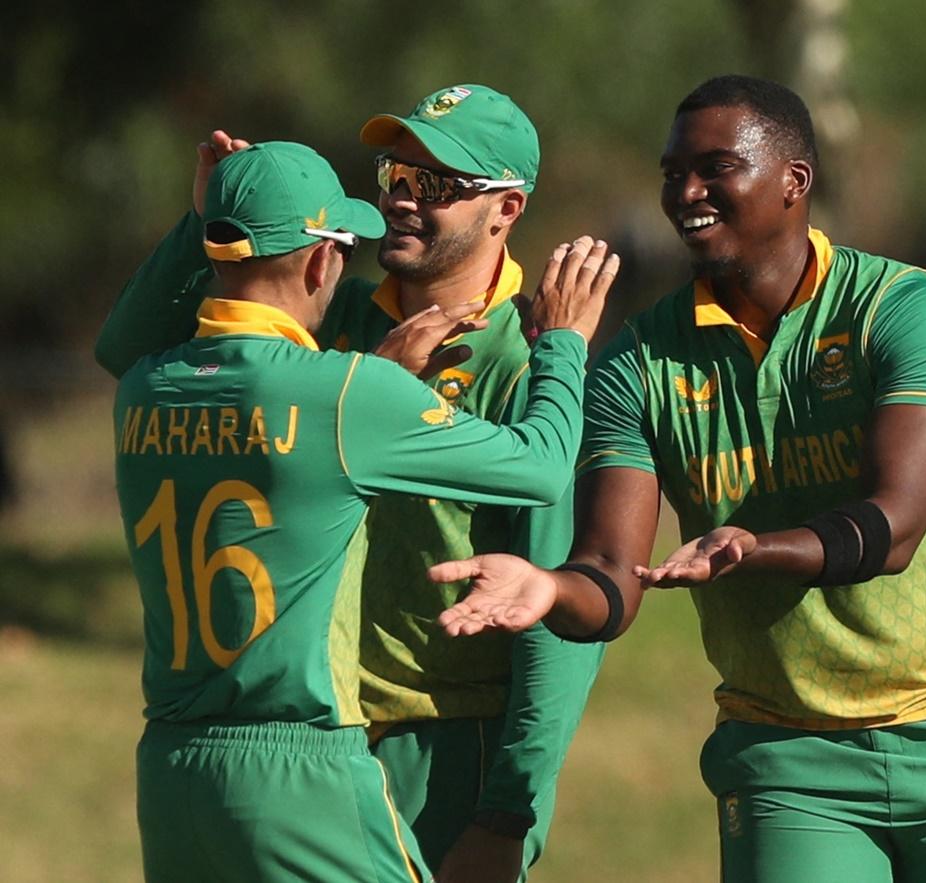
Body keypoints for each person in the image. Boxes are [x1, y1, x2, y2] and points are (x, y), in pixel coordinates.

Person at [431, 75, 926, 882]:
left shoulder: (903, 307)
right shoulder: (639, 360)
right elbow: (612, 575)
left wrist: (755, 548)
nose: (685, 193)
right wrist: (551, 590)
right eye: (671, 173)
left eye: (714, 168)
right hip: (787, 757)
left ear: (794, 181)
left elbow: (896, 525)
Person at [94, 85, 607, 883]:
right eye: (392, 174)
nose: (402, 201)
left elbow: (554, 613)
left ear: (508, 208)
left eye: (433, 186)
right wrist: (219, 217)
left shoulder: (528, 362)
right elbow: (135, 347)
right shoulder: (334, 325)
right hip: (318, 741)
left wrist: (512, 807)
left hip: (443, 752)